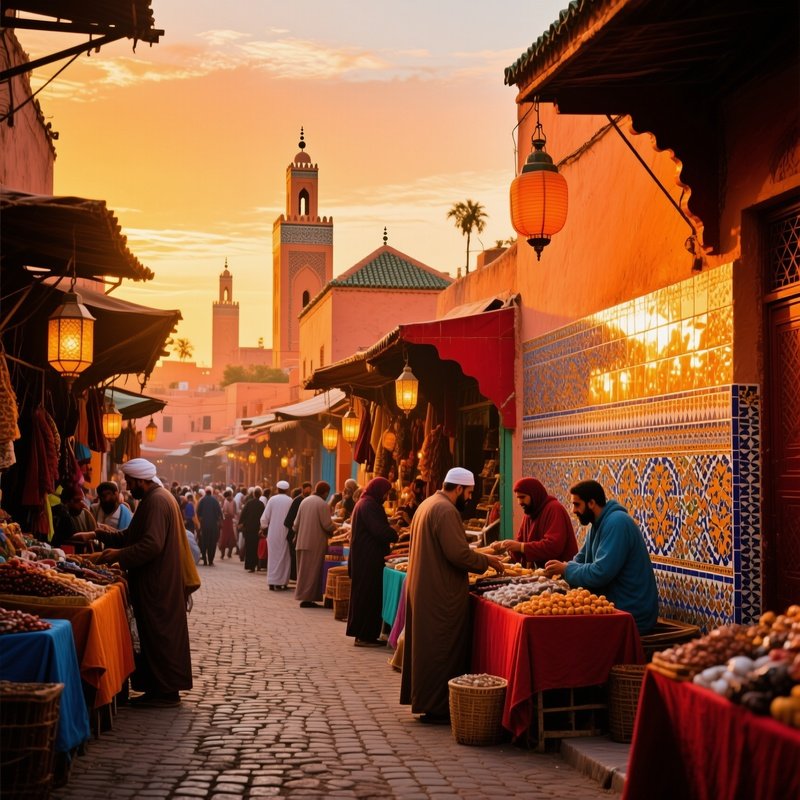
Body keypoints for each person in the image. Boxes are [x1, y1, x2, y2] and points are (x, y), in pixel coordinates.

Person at [400, 467, 505, 723]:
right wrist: (487, 560)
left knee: (428, 647)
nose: (469, 498)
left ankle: (427, 701)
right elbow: (457, 553)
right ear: (458, 488)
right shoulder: (445, 510)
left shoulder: (428, 504)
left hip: (427, 586)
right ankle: (437, 707)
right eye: (468, 493)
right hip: (439, 592)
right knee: (441, 647)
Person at [93, 458, 193, 707]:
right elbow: (133, 535)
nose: (128, 487)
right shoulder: (155, 499)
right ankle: (158, 689)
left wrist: (118, 555)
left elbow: (151, 544)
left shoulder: (157, 502)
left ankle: (165, 692)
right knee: (155, 635)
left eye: (129, 482)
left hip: (157, 583)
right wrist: (99, 532)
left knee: (159, 635)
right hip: (157, 581)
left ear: (141, 481)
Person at [544, 479, 659, 634]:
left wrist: (566, 569)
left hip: (631, 612)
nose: (573, 510)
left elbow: (600, 572)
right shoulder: (597, 524)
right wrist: (561, 569)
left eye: (577, 504)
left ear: (591, 503)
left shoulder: (617, 523)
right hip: (614, 604)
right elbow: (581, 558)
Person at [346, 477, 398, 646]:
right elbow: (379, 531)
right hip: (368, 560)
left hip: (365, 559)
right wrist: (393, 532)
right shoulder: (369, 505)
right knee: (368, 597)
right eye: (385, 492)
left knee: (367, 597)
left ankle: (365, 634)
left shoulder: (365, 503)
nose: (386, 496)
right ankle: (364, 635)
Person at [494, 477, 578, 568]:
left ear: (534, 495)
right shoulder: (530, 512)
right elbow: (520, 541)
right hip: (543, 573)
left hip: (562, 573)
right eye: (518, 498)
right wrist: (506, 547)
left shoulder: (554, 509)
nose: (519, 502)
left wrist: (521, 547)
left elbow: (553, 546)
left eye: (523, 497)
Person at [293, 481, 336, 608]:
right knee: (312, 572)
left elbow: (295, 524)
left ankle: (304, 597)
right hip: (314, 543)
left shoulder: (304, 501)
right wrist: (335, 527)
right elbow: (327, 524)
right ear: (325, 493)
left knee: (303, 572)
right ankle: (308, 599)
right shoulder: (322, 504)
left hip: (302, 542)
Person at [260, 480, 293, 588]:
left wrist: (264, 528)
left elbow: (265, 517)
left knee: (273, 557)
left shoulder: (272, 500)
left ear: (277, 489)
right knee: (284, 557)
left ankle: (272, 581)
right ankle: (281, 583)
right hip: (285, 532)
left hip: (273, 532)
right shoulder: (290, 500)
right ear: (287, 490)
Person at [52, 485, 97, 551]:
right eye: (78, 500)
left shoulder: (63, 512)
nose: (83, 505)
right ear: (67, 501)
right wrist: (95, 534)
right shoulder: (63, 514)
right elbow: (70, 539)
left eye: (82, 500)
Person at [284, 481, 312, 582]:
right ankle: (294, 576)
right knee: (294, 555)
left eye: (310, 489)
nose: (308, 491)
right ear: (303, 489)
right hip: (294, 532)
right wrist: (295, 531)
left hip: (302, 532)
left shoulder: (307, 500)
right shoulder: (298, 501)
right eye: (307, 489)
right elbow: (290, 519)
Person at [239, 488, 264, 572]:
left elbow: (243, 513)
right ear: (260, 494)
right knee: (257, 547)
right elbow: (263, 517)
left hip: (249, 529)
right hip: (257, 529)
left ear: (254, 494)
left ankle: (250, 566)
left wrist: (241, 523)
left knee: (249, 547)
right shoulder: (261, 504)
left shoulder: (249, 503)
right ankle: (258, 565)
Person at [196, 485, 222, 566]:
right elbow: (219, 512)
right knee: (212, 543)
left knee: (204, 542)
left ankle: (205, 560)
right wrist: (218, 521)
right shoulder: (215, 500)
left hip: (204, 525)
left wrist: (201, 520)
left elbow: (198, 512)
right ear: (211, 492)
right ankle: (211, 560)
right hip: (213, 526)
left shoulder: (202, 500)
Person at [219, 489, 238, 560]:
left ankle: (229, 553)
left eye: (229, 496)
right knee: (224, 538)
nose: (229, 498)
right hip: (225, 521)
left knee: (231, 538)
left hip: (230, 521)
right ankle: (223, 554)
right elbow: (222, 511)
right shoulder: (224, 501)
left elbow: (235, 512)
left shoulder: (233, 502)